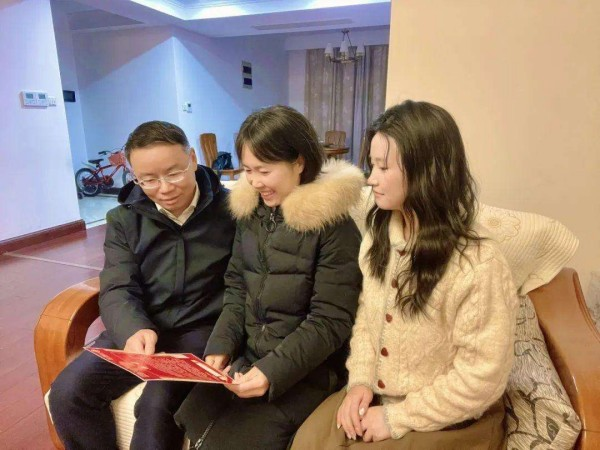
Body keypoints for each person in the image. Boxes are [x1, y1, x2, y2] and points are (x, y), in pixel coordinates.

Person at [292, 101, 518, 449]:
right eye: (372, 165)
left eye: (383, 167)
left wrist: (396, 418)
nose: (371, 178)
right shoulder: (379, 237)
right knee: (308, 441)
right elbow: (367, 320)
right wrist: (360, 382)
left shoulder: (478, 264)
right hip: (381, 397)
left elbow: (481, 377)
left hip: (451, 417)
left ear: (427, 171)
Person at [174, 105, 364, 449]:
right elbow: (237, 289)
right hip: (251, 358)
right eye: (248, 170)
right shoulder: (252, 214)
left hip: (307, 371)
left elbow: (331, 320)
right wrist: (221, 345)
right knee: (193, 417)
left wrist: (272, 372)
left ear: (299, 162)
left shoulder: (334, 227)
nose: (255, 181)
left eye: (264, 170)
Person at [48, 121, 236, 450]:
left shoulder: (232, 210)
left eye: (174, 173)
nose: (164, 188)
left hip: (202, 329)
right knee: (68, 393)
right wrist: (132, 329)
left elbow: (244, 283)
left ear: (192, 158)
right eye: (148, 179)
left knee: (156, 405)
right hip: (143, 327)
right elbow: (118, 285)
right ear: (134, 176)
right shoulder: (124, 219)